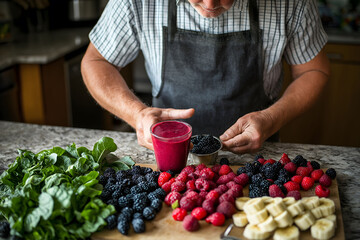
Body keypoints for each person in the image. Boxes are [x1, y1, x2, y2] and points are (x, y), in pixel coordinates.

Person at [81, 0, 330, 154]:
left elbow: (312, 71)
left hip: (257, 159)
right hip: (167, 159)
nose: (210, 4)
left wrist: (271, 119)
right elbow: (96, 62)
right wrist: (136, 114)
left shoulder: (291, 2)